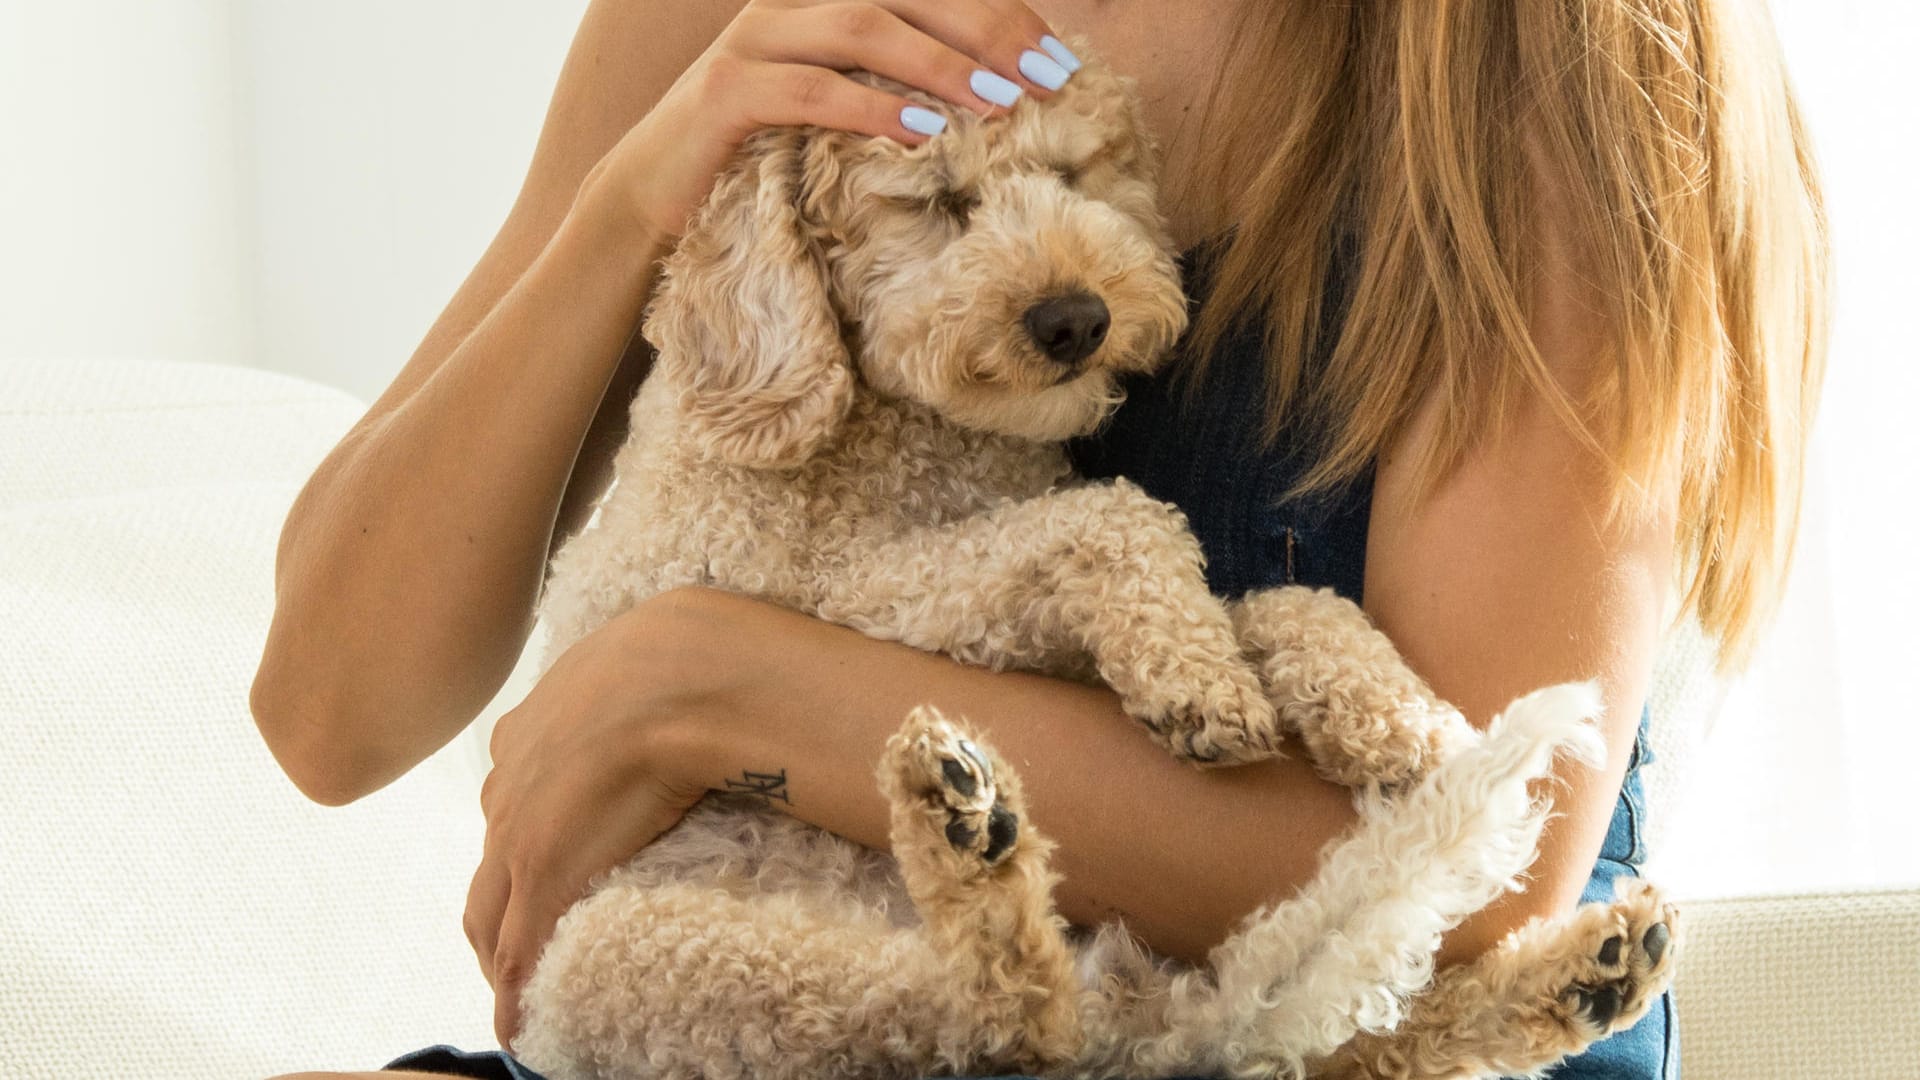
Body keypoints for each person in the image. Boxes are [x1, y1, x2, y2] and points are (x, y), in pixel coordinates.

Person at [253, 1, 1828, 1078]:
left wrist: (703, 692)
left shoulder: (1548, 56)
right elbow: (332, 708)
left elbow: (1489, 865)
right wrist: (634, 198)